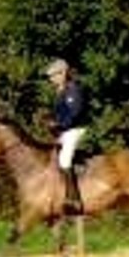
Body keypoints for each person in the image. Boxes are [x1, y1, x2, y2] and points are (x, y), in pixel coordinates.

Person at [45, 58, 88, 215]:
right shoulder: (60, 91)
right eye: (50, 77)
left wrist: (58, 124)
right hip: (65, 130)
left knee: (64, 160)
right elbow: (60, 113)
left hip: (75, 129)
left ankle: (74, 199)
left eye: (53, 75)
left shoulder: (73, 89)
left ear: (63, 73)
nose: (51, 79)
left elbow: (74, 113)